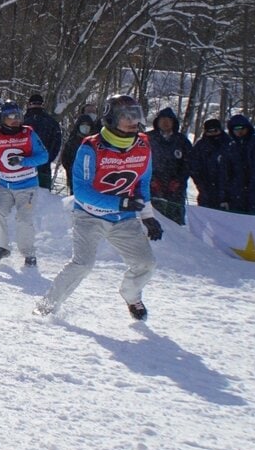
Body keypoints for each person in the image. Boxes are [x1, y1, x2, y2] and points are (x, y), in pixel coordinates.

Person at [36, 96, 163, 320]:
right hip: (89, 216)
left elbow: (142, 182)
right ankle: (47, 305)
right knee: (82, 264)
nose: (133, 121)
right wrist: (121, 202)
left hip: (123, 219)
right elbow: (83, 192)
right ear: (112, 118)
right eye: (126, 116)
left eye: (136, 115)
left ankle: (131, 295)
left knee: (146, 263)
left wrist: (147, 216)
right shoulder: (91, 147)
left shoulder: (143, 144)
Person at [0, 102, 50, 268]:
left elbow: (44, 156)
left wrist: (24, 161)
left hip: (28, 186)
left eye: (18, 116)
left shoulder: (28, 133)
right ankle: (2, 247)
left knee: (24, 220)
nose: (16, 120)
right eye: (11, 116)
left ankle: (29, 253)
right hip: (5, 185)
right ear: (2, 118)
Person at [147, 107, 193, 222]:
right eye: (162, 120)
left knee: (174, 221)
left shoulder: (181, 140)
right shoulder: (148, 138)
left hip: (175, 189)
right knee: (153, 218)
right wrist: (151, 179)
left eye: (168, 120)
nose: (165, 123)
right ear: (157, 122)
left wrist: (179, 180)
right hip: (152, 186)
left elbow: (188, 164)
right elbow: (140, 162)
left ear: (173, 122)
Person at [188, 118, 230, 209]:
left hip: (228, 192)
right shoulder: (200, 146)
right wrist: (201, 184)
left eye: (215, 130)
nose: (212, 133)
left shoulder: (229, 144)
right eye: (209, 131)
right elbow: (193, 166)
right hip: (206, 190)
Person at [23, 94, 62, 189]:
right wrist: (47, 159)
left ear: (29, 104)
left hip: (24, 165)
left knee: (22, 195)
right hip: (41, 164)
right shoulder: (51, 122)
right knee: (43, 198)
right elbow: (57, 144)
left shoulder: (21, 121)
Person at [220, 115, 254, 213]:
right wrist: (224, 197)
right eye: (236, 129)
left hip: (254, 193)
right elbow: (225, 174)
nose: (239, 131)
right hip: (235, 193)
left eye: (242, 128)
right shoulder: (230, 148)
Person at [59, 112, 97, 182]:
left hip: (93, 179)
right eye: (83, 125)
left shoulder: (96, 142)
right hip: (74, 178)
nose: (85, 127)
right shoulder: (72, 141)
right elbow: (65, 160)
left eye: (87, 125)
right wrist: (72, 171)